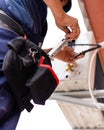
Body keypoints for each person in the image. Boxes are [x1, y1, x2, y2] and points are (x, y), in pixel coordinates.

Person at [0, 0, 80, 129]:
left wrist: (56, 52)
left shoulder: (41, 22)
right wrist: (60, 15)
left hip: (13, 68)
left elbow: (25, 50)